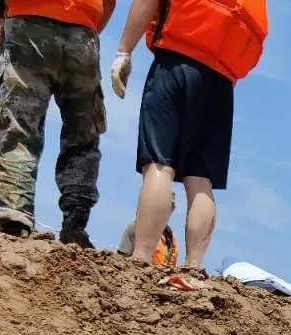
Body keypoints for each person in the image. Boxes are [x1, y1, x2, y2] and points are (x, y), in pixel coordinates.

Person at [110, 0, 268, 269]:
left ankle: (141, 258)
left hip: (176, 62)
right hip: (221, 82)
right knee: (200, 179)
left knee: (159, 164)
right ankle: (193, 266)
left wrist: (124, 50)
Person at [0, 0, 114, 245]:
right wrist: (87, 27)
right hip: (83, 27)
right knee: (82, 133)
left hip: (28, 19)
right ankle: (75, 222)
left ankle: (13, 218)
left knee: (17, 125)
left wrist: (1, 11)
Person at [118, 193, 178, 267]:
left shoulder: (170, 236)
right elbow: (121, 261)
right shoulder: (135, 227)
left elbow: (172, 266)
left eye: (169, 207)